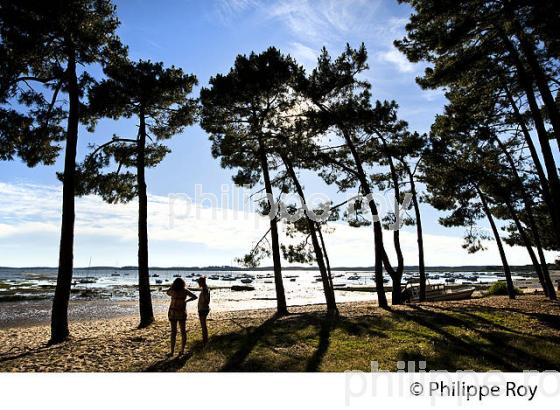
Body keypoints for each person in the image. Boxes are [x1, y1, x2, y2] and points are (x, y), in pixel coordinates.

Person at [166, 278, 197, 356]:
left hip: (173, 312)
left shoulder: (172, 291)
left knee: (173, 332)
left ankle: (172, 351)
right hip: (181, 312)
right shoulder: (185, 291)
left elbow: (167, 292)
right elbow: (195, 297)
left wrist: (171, 286)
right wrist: (186, 301)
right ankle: (182, 350)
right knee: (183, 331)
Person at [197, 276, 210, 345]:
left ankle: (205, 341)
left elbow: (206, 301)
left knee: (203, 326)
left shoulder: (205, 290)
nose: (198, 284)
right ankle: (205, 340)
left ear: (201, 282)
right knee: (203, 325)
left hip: (203, 309)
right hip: (204, 308)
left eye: (199, 282)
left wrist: (202, 303)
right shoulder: (206, 289)